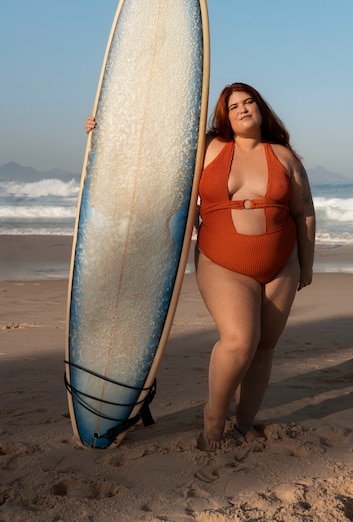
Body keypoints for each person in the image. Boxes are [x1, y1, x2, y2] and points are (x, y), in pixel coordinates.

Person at [85, 82, 315, 452]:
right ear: (225, 116)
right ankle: (213, 417)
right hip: (223, 263)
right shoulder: (208, 148)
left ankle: (244, 424)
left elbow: (304, 212)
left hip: (281, 265)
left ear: (261, 108)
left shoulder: (284, 157)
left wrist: (306, 264)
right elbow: (153, 153)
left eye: (248, 101)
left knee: (265, 348)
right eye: (234, 105)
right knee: (241, 341)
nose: (242, 109)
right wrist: (108, 129)